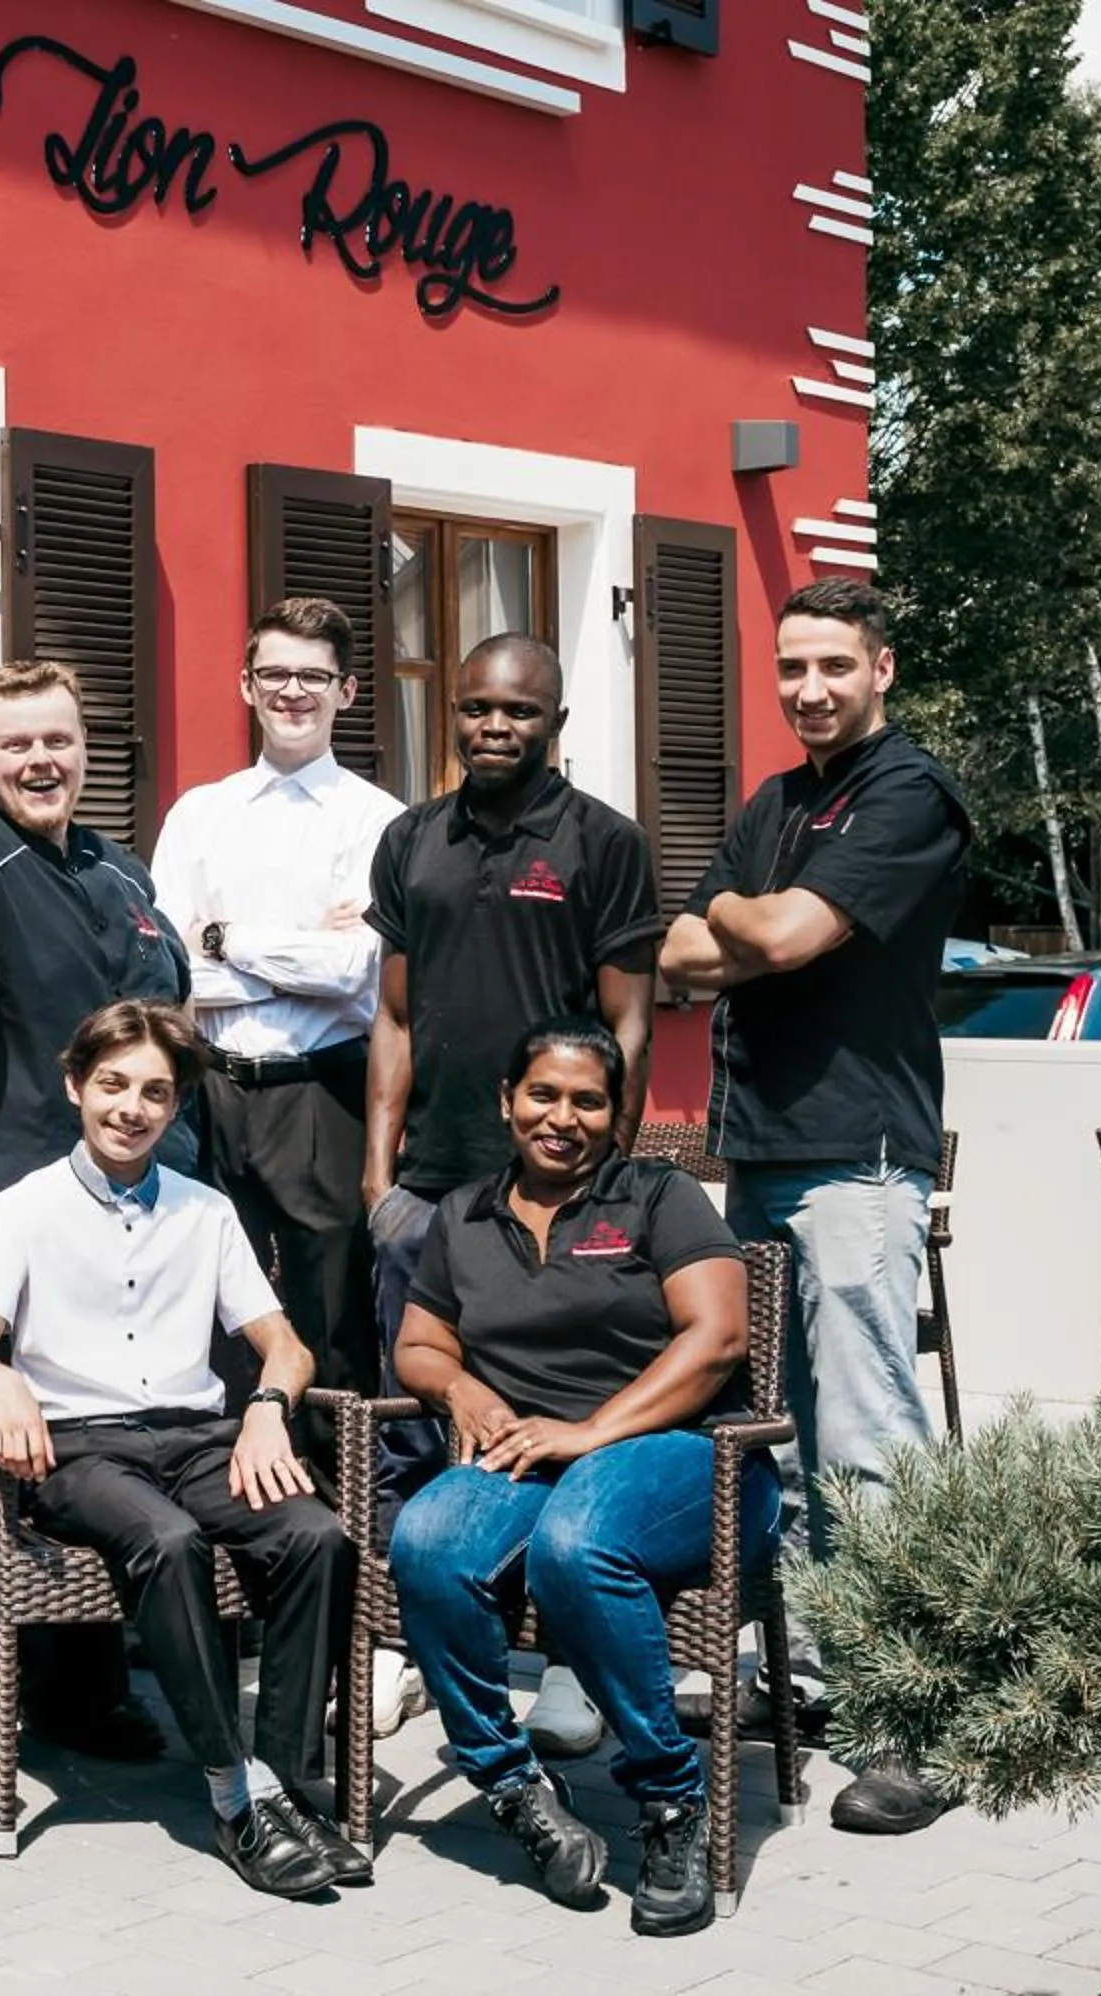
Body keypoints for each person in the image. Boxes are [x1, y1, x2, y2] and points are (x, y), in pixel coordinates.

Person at [657, 575, 970, 1838]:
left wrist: (744, 921)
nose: (809, 689)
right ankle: (821, 1677)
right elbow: (679, 955)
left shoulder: (910, 794)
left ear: (881, 668)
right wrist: (745, 926)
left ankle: (923, 1723)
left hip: (860, 1159)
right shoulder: (777, 801)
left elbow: (767, 937)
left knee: (870, 1440)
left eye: (834, 666)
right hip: (762, 1157)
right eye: (792, 668)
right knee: (773, 1436)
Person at [0, 1000, 365, 1898]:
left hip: (200, 1435)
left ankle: (283, 1783)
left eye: (154, 1093)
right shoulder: (24, 1209)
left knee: (316, 1536)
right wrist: (4, 1380)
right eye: (113, 1086)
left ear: (176, 1109)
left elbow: (285, 1346)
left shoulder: (205, 1211)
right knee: (168, 1542)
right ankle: (231, 1789)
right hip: (81, 1452)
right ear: (75, 1087)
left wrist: (265, 1410)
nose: (131, 1108)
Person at [384, 1016, 768, 1939]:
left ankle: (672, 1799)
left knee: (577, 1545)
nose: (563, 1117)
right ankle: (513, 1786)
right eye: (543, 1095)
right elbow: (419, 1344)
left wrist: (588, 1431)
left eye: (588, 1100)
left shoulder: (658, 1195)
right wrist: (465, 1389)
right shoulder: (463, 1215)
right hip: (531, 1454)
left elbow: (718, 1338)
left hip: (689, 1454)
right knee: (426, 1543)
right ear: (507, 1102)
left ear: (617, 1112)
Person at [361, 632, 661, 1755]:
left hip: (555, 1187)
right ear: (454, 712)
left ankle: (571, 1663)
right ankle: (415, 1644)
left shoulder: (603, 843)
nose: (495, 727)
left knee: (564, 1408)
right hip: (432, 1188)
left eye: (520, 713)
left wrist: (609, 1175)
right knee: (421, 1422)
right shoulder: (410, 840)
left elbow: (630, 1017)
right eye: (478, 707)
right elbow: (390, 1015)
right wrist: (378, 1180)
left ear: (557, 725)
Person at [0, 658, 193, 1760]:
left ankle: (113, 1663)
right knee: (57, 1426)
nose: (40, 760)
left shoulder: (124, 872)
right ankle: (57, 1684)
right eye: (17, 743)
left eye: (58, 739)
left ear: (85, 747)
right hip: (30, 1191)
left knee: (145, 1411)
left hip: (156, 1195)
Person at [148, 598, 402, 1415]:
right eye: (275, 674)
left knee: (331, 1303)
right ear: (246, 686)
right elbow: (168, 967)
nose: (293, 692)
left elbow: (356, 970)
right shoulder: (200, 814)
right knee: (212, 1299)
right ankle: (224, 1475)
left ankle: (338, 1492)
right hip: (211, 1088)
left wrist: (221, 935)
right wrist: (285, 952)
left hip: (322, 1092)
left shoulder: (378, 822)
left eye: (313, 677)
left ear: (348, 691)